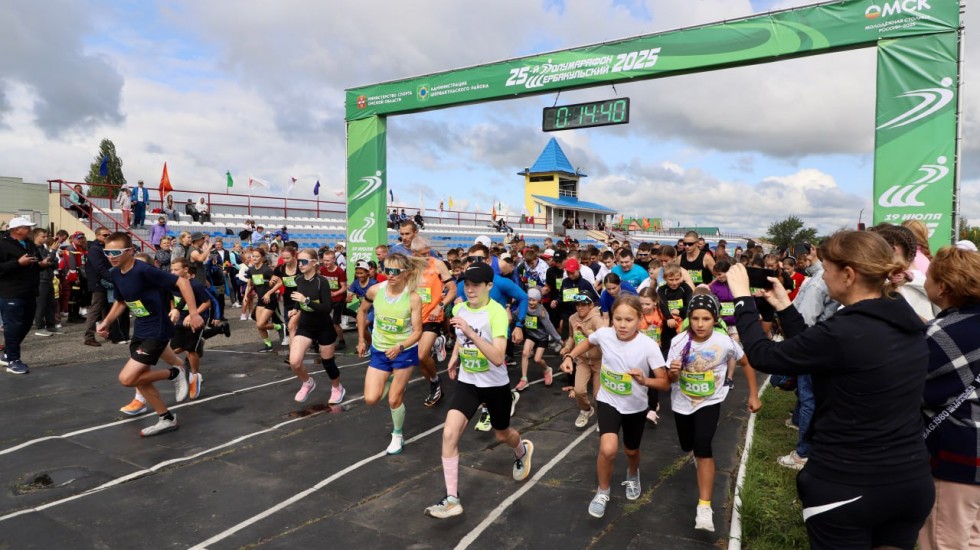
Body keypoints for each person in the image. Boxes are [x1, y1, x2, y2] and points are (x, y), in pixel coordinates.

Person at [727, 231, 934, 549]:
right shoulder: (904, 321)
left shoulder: (845, 329)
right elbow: (818, 350)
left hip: (847, 482)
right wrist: (785, 307)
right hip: (910, 480)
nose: (822, 277)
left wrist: (742, 299)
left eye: (826, 269)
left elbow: (765, 356)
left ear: (848, 275)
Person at [425, 262, 535, 519]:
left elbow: (497, 357)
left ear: (489, 286)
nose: (470, 289)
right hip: (468, 383)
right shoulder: (459, 308)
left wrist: (470, 332)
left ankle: (522, 451)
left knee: (502, 434)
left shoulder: (497, 314)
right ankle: (452, 499)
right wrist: (455, 356)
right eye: (467, 284)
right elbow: (461, 337)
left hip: (495, 386)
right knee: (449, 434)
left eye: (476, 285)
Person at [561, 293, 668, 518]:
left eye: (628, 320)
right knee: (608, 449)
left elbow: (664, 382)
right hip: (608, 400)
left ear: (639, 318)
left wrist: (644, 381)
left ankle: (633, 474)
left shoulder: (648, 346)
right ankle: (603, 491)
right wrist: (570, 356)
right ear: (612, 318)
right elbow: (589, 341)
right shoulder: (605, 335)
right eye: (618, 319)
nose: (622, 325)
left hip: (635, 407)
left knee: (631, 450)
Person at [97, 232, 203, 436]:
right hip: (140, 330)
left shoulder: (144, 270)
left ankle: (175, 373)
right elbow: (121, 301)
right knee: (140, 379)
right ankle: (167, 419)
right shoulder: (116, 274)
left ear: (130, 251)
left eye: (116, 252)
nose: (111, 256)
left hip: (158, 329)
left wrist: (193, 313)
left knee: (127, 379)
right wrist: (106, 323)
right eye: (107, 252)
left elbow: (182, 283)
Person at [665, 294, 745, 532]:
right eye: (695, 318)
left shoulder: (724, 341)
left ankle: (704, 507)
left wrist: (753, 395)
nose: (700, 324)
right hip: (683, 401)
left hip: (710, 400)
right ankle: (695, 453)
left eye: (706, 319)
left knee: (703, 446)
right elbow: (670, 379)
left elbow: (746, 362)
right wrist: (674, 372)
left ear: (715, 319)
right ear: (689, 319)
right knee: (687, 444)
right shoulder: (678, 341)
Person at [918, 246, 980, 550]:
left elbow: (915, 389)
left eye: (929, 276)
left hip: (957, 454)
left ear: (942, 287)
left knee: (942, 540)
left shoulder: (943, 333)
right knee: (973, 538)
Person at [356, 252, 425, 455]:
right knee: (370, 399)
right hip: (379, 350)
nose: (391, 274)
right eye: (387, 270)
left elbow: (418, 332)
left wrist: (400, 346)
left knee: (394, 399)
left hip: (403, 352)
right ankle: (390, 378)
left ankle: (397, 435)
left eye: (395, 271)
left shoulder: (413, 298)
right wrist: (361, 339)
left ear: (406, 273)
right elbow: (362, 312)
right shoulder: (375, 291)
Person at [288, 249, 347, 405]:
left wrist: (306, 301)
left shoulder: (322, 282)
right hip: (306, 326)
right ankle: (307, 382)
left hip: (323, 327)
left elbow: (326, 308)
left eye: (304, 262)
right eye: (298, 261)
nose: (300, 265)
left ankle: (337, 388)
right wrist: (295, 308)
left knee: (328, 363)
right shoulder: (299, 279)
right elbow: (299, 298)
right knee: (294, 362)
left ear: (314, 262)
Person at [0, 217, 53, 373]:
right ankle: (13, 360)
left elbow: (34, 262)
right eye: (27, 228)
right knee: (13, 326)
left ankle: (8, 354)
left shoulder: (29, 244)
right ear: (17, 230)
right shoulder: (3, 244)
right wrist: (17, 263)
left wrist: (41, 265)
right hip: (11, 292)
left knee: (26, 324)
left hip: (30, 291)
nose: (30, 230)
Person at [411, 236, 456, 407]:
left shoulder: (437, 264)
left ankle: (435, 383)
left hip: (432, 316)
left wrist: (440, 306)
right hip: (414, 317)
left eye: (427, 252)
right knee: (420, 361)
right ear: (413, 253)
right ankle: (434, 381)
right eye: (422, 254)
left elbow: (452, 289)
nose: (427, 256)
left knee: (422, 354)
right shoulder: (409, 266)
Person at [168, 258, 213, 400]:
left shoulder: (196, 285)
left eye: (176, 269)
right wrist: (173, 310)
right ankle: (198, 343)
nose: (172, 272)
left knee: (190, 349)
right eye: (171, 269)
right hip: (179, 319)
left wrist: (193, 314)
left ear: (186, 269)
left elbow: (207, 303)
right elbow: (171, 299)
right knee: (174, 349)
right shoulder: (172, 284)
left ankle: (195, 376)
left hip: (196, 319)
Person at [559, 293, 604, 428]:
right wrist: (567, 347)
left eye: (583, 304)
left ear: (591, 305)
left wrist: (586, 331)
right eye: (577, 305)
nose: (580, 307)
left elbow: (603, 339)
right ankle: (586, 409)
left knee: (598, 395)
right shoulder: (572, 318)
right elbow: (571, 337)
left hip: (599, 360)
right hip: (582, 360)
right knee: (579, 390)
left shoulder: (596, 319)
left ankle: (603, 419)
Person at [515, 288, 562, 391]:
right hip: (531, 335)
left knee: (537, 359)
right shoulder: (523, 307)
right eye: (529, 299)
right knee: (525, 353)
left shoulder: (541, 312)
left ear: (539, 300)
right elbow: (515, 315)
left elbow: (549, 327)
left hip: (542, 337)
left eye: (534, 300)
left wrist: (559, 340)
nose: (531, 302)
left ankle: (547, 369)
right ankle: (524, 379)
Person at [244, 249, 283, 353]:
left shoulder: (267, 270)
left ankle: (280, 326)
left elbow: (280, 282)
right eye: (253, 256)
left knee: (260, 324)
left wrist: (269, 293)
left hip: (270, 300)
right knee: (259, 324)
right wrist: (245, 296)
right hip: (260, 300)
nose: (254, 258)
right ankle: (268, 344)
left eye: (257, 256)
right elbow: (249, 285)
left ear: (262, 257)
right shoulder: (251, 270)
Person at [82, 228, 114, 347]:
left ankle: (107, 332)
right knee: (95, 310)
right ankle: (89, 337)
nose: (107, 237)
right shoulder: (95, 249)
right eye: (105, 235)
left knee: (106, 309)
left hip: (105, 282)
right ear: (97, 235)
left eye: (109, 235)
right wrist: (113, 279)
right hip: (98, 283)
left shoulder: (103, 248)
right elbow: (100, 268)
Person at [319, 249, 348, 350]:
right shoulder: (322, 269)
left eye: (328, 260)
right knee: (322, 319)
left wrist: (335, 293)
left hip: (338, 299)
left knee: (336, 323)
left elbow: (344, 287)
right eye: (324, 260)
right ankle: (321, 340)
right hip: (327, 299)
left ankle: (341, 341)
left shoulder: (339, 271)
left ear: (334, 260)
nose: (326, 262)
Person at [33, 228, 60, 337]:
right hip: (40, 279)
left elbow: (55, 263)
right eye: (43, 236)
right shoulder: (34, 249)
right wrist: (52, 252)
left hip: (49, 278)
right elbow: (45, 262)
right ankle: (40, 326)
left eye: (46, 236)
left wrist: (50, 259)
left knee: (51, 304)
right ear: (36, 237)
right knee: (41, 304)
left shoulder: (43, 248)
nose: (46, 238)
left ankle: (51, 325)